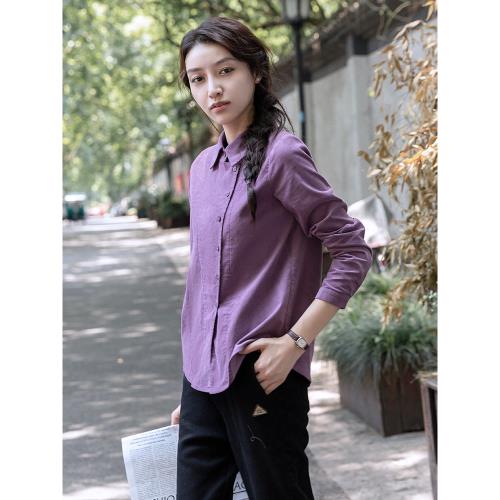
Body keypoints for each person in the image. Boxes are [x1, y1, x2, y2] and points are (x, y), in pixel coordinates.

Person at [170, 16, 373, 500]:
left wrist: (295, 342)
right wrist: (196, 387)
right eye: (198, 79)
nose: (213, 89)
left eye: (226, 71)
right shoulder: (202, 169)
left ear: (256, 72)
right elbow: (203, 281)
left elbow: (352, 250)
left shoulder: (282, 156)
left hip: (264, 372)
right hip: (203, 379)